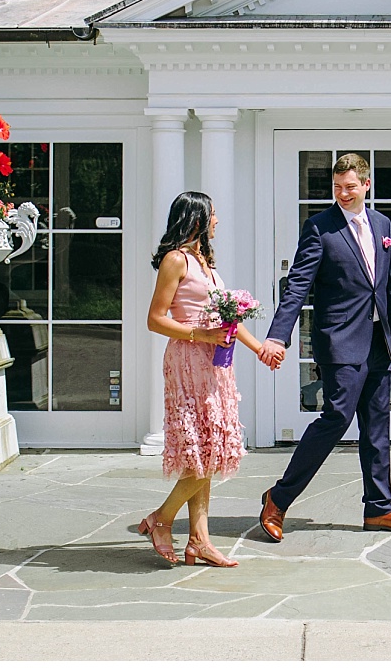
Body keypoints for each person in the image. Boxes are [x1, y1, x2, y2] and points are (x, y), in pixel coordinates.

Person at [256, 153, 391, 539]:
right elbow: (298, 285)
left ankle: (380, 509)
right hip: (340, 340)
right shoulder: (320, 228)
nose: (344, 194)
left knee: (377, 426)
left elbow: (388, 286)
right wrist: (277, 335)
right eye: (337, 188)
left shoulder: (382, 223)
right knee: (336, 419)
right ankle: (278, 499)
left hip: (378, 343)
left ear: (366, 185)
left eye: (350, 187)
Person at [140, 191, 280, 567]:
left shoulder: (206, 263)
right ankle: (161, 520)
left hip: (215, 364)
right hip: (188, 361)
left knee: (209, 448)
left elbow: (226, 321)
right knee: (204, 452)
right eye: (214, 215)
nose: (218, 221)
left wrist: (260, 349)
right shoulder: (175, 260)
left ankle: (199, 540)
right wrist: (199, 335)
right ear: (198, 220)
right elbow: (155, 319)